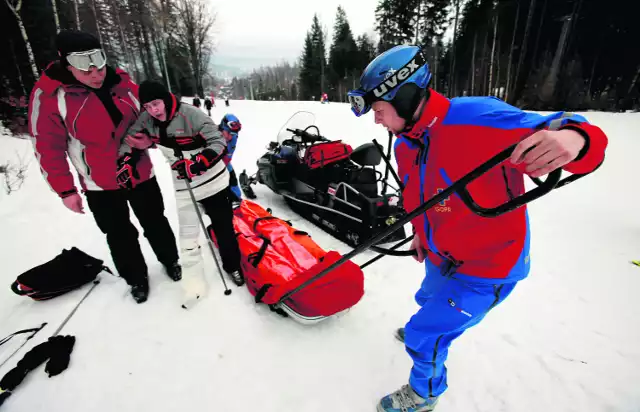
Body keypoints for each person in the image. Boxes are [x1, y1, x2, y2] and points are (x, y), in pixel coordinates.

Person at [347, 45, 608, 412]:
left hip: (488, 268)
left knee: (425, 335)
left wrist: (575, 139)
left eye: (379, 110)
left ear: (404, 96)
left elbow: (573, 131)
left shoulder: (477, 119)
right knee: (427, 301)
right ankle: (430, 323)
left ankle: (424, 393)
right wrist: (421, 234)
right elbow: (415, 194)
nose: (377, 121)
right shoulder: (406, 144)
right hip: (442, 256)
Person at [27, 30, 180, 304]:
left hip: (139, 172)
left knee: (156, 220)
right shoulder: (50, 95)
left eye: (99, 61)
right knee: (119, 233)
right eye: (84, 66)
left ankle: (171, 261)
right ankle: (136, 279)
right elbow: (46, 146)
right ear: (65, 62)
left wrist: (151, 139)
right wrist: (66, 190)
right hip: (100, 183)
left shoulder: (122, 82)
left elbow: (154, 117)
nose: (95, 72)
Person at [122, 80, 245, 289]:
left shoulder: (191, 114)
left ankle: (232, 265)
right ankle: (193, 276)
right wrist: (125, 160)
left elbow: (218, 141)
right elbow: (130, 139)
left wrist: (199, 162)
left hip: (212, 180)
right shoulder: (146, 119)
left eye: (156, 104)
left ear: (166, 99)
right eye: (147, 106)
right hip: (183, 184)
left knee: (223, 226)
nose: (153, 110)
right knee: (188, 233)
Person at [218, 114, 242, 204]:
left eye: (234, 134)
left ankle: (237, 199)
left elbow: (229, 156)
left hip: (224, 162)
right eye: (228, 133)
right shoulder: (213, 136)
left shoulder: (233, 138)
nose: (231, 137)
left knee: (232, 179)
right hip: (212, 165)